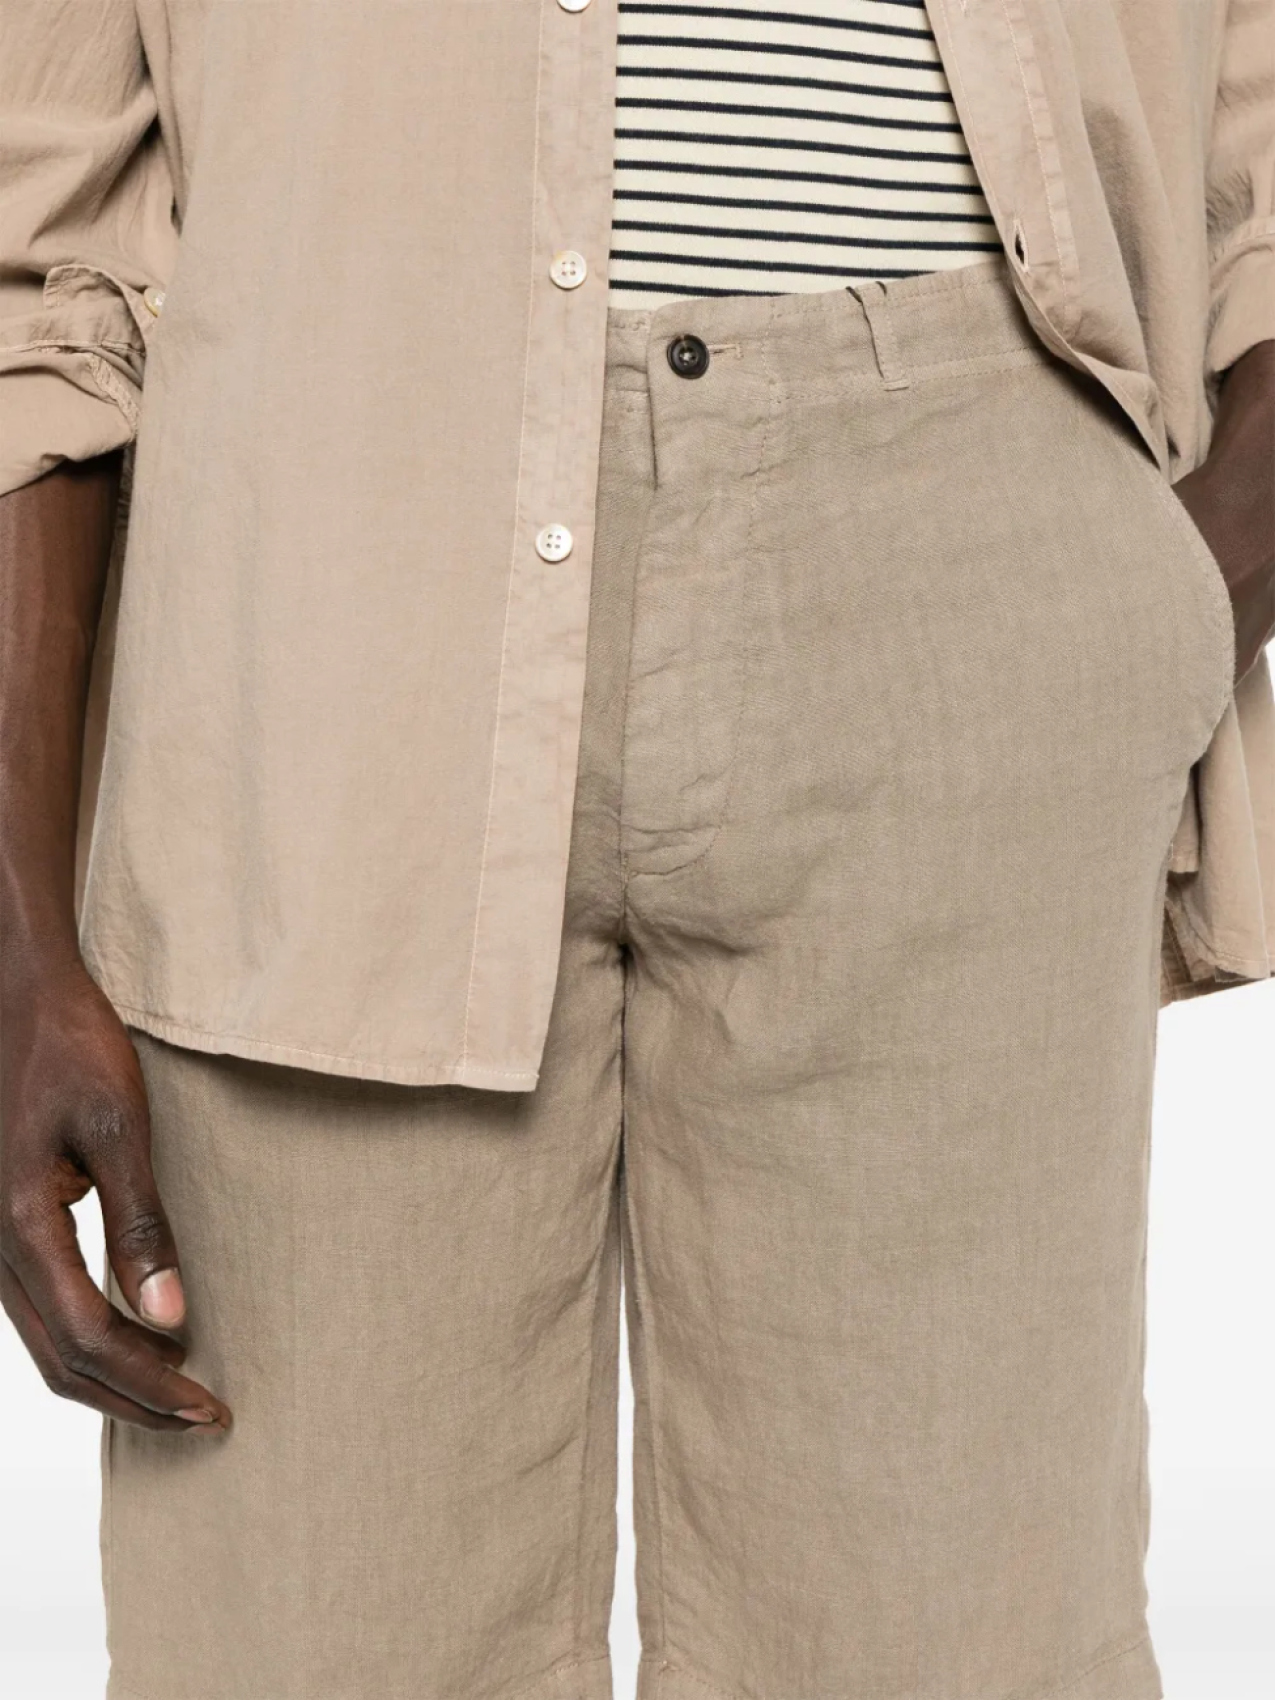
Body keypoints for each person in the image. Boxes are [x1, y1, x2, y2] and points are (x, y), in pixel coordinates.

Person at [1, 2, 1271, 1697]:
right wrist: (16, 925)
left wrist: (1187, 589)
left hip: (966, 560)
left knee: (952, 1646)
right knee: (309, 1642)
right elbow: (34, 238)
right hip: (323, 586)